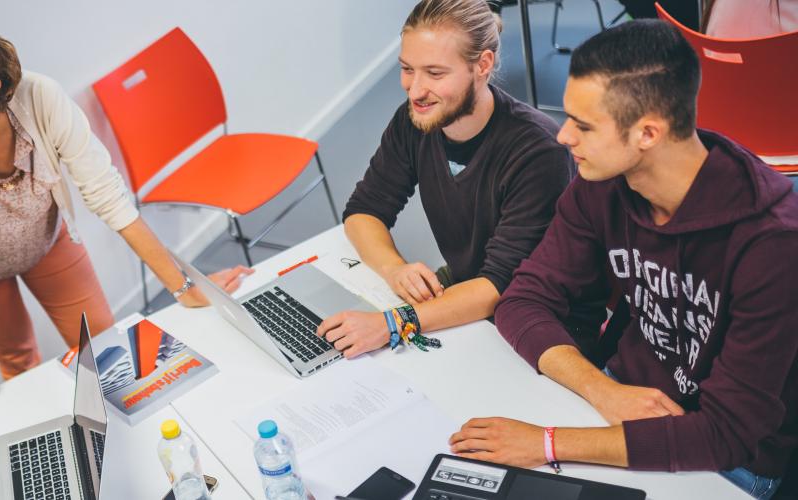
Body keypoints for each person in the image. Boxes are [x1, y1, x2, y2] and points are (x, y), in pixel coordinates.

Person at [449, 20, 798, 499]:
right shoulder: (602, 184)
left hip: (728, 465)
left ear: (647, 133)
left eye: (584, 125)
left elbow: (729, 434)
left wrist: (547, 443)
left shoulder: (771, 243)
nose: (563, 137)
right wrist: (602, 390)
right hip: (616, 400)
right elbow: (522, 300)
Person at [0, 14, 250, 412]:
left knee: (108, 351)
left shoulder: (41, 97)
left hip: (45, 241)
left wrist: (185, 289)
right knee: (18, 367)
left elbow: (109, 197)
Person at [316, 0, 576, 358]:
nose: (415, 89)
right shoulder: (415, 121)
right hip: (468, 287)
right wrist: (395, 270)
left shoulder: (538, 152)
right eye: (407, 69)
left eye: (435, 74)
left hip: (539, 318)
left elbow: (499, 285)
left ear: (482, 65)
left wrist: (392, 323)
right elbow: (363, 211)